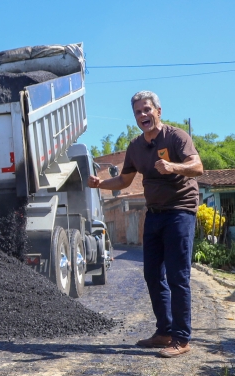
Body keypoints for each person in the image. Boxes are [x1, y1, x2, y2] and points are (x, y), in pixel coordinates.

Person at [88, 91, 203, 358]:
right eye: (138, 112)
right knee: (152, 274)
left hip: (180, 211)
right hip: (153, 214)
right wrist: (100, 184)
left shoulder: (176, 137)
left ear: (158, 111)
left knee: (178, 276)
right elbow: (125, 181)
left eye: (146, 110)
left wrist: (173, 167)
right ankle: (164, 332)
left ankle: (181, 338)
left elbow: (197, 167)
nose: (143, 116)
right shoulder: (136, 147)